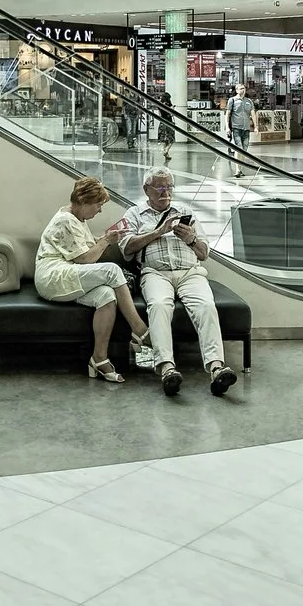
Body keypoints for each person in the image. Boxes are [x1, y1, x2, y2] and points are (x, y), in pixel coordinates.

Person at [121, 170, 236, 397]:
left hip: (190, 272)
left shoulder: (186, 212)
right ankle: (166, 368)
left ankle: (216, 367)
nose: (166, 193)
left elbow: (203, 254)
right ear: (147, 190)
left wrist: (191, 238)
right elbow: (126, 248)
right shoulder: (135, 214)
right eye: (160, 188)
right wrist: (158, 232)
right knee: (159, 306)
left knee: (206, 306)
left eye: (170, 187)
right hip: (155, 273)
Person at [34, 176, 152, 383]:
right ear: (84, 201)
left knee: (106, 296)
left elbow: (83, 249)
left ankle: (99, 358)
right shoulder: (65, 220)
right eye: (98, 205)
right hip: (52, 276)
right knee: (112, 271)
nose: (99, 210)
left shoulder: (77, 218)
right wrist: (105, 241)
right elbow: (85, 259)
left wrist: (104, 240)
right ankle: (139, 330)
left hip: (67, 274)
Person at [226, 84, 256, 177]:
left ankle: (241, 168)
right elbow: (227, 114)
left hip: (246, 128)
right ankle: (237, 169)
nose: (242, 90)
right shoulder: (232, 100)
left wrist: (256, 126)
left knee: (244, 150)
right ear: (236, 90)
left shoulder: (249, 101)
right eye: (240, 89)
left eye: (243, 88)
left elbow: (253, 114)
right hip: (236, 128)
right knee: (238, 149)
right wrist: (227, 127)